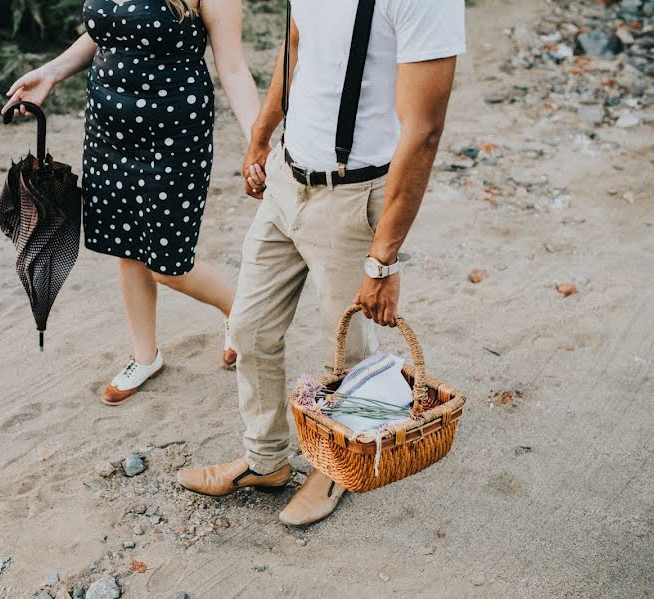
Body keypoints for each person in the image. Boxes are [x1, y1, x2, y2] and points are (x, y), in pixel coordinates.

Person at [177, 0, 465, 525]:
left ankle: (336, 469)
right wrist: (261, 138)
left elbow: (424, 130)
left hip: (353, 197)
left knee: (351, 356)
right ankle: (265, 460)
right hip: (287, 179)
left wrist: (382, 262)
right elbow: (296, 46)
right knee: (249, 326)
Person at [2, 0, 260, 405]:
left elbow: (232, 67)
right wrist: (52, 72)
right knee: (126, 249)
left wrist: (256, 141)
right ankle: (146, 356)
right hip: (107, 132)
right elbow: (107, 29)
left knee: (170, 267)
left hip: (174, 137)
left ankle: (243, 314)